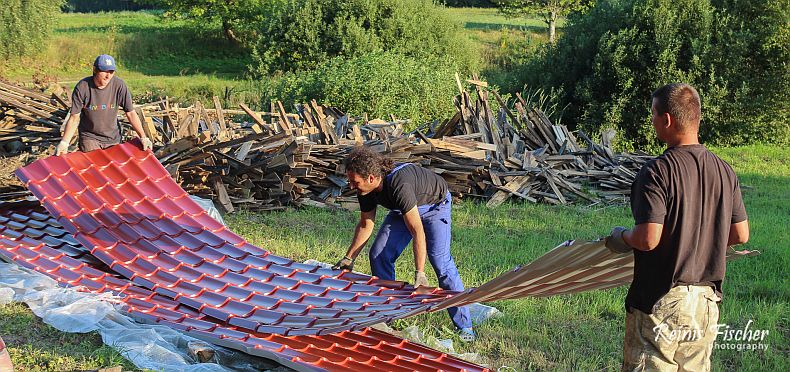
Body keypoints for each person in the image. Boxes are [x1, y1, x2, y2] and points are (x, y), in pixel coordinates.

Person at [605, 83, 750, 371]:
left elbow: (648, 238)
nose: (652, 121)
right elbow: (740, 235)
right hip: (706, 302)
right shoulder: (724, 170)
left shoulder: (656, 172)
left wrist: (621, 236)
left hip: (663, 300)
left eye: (653, 115)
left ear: (667, 119)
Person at [333, 146, 475, 341]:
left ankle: (465, 326)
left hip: (435, 206)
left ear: (371, 178)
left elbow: (417, 230)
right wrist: (348, 258)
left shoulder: (399, 184)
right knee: (379, 255)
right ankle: (387, 313)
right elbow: (366, 225)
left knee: (440, 261)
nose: (350, 186)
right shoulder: (365, 190)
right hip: (404, 209)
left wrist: (420, 273)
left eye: (354, 181)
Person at [56, 54, 152, 155]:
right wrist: (64, 143)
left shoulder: (119, 86)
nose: (108, 76)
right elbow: (74, 118)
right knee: (94, 166)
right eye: (104, 71)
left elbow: (131, 113)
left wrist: (143, 137)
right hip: (90, 138)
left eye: (111, 72)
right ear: (95, 70)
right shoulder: (83, 87)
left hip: (113, 137)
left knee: (113, 167)